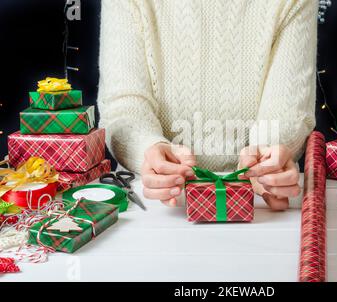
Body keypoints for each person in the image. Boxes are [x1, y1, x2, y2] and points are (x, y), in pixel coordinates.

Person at [97, 0, 318, 210]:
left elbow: (288, 112)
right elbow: (123, 105)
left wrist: (267, 162)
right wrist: (148, 148)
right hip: (150, 200)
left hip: (257, 200)